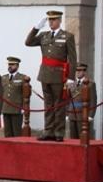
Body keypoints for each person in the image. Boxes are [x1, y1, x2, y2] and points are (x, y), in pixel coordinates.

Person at [25, 10, 77, 142]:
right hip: (45, 74)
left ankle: (59, 132)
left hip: (59, 75)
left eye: (54, 20)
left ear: (59, 20)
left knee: (59, 105)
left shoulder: (67, 36)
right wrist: (36, 28)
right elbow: (28, 42)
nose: (51, 22)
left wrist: (71, 77)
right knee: (48, 104)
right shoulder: (44, 35)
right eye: (49, 20)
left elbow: (72, 58)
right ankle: (48, 131)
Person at [0, 56, 27, 137]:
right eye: (9, 64)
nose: (10, 66)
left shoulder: (23, 78)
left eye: (12, 64)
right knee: (7, 133)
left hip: (16, 109)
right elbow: (0, 95)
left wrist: (24, 107)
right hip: (5, 108)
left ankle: (17, 150)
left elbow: (26, 94)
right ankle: (8, 149)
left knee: (17, 133)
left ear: (17, 66)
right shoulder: (3, 78)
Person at [68, 63, 97, 140]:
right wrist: (67, 113)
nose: (78, 72)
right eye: (76, 70)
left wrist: (91, 115)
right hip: (72, 113)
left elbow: (93, 100)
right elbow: (67, 100)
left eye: (80, 70)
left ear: (84, 72)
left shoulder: (90, 84)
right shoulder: (71, 84)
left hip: (83, 114)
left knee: (83, 137)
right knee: (72, 138)